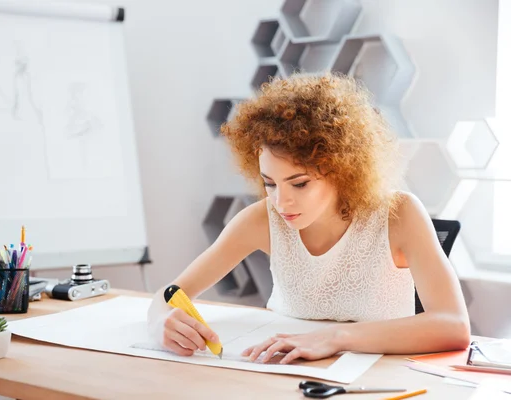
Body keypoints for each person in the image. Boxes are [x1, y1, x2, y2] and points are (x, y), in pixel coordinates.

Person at [147, 72, 470, 364]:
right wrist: (161, 319)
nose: (281, 201)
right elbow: (173, 293)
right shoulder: (260, 220)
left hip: (377, 375)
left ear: (343, 171)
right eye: (269, 183)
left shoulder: (399, 215)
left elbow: (453, 325)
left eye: (299, 183)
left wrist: (335, 339)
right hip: (283, 370)